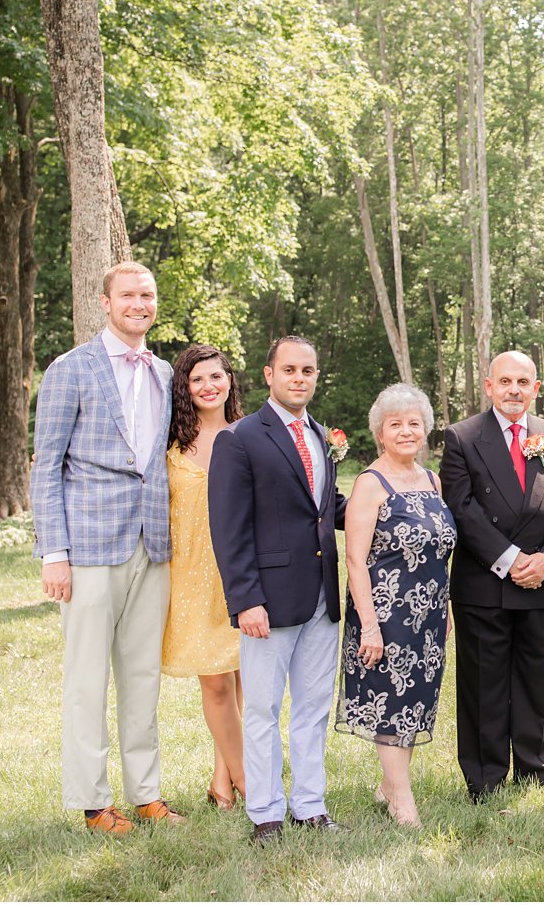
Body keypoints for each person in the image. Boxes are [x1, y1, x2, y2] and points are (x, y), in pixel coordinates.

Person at [31, 261, 183, 835]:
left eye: (147, 294)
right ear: (105, 302)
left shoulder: (165, 372)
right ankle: (94, 804)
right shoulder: (70, 370)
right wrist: (53, 553)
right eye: (127, 295)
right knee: (87, 678)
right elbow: (47, 466)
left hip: (153, 544)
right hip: (89, 545)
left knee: (142, 674)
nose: (138, 303)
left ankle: (146, 794)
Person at [209, 336, 347, 843]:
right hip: (267, 599)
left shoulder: (319, 434)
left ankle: (310, 804)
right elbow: (228, 528)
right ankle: (264, 813)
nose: (299, 378)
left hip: (321, 597)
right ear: (269, 374)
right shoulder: (241, 438)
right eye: (289, 369)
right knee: (264, 710)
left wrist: (392, 509)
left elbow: (327, 508)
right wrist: (246, 600)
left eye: (307, 370)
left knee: (313, 706)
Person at [439, 352, 544, 801]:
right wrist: (512, 558)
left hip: (542, 580)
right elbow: (462, 508)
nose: (513, 389)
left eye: (522, 381)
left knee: (535, 677)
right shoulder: (461, 437)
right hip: (484, 581)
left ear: (536, 388)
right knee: (485, 681)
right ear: (489, 385)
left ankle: (538, 771)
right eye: (505, 381)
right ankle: (485, 776)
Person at [337, 384, 455, 828]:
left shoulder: (431, 478)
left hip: (428, 614)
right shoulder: (370, 483)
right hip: (386, 615)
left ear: (424, 430)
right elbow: (354, 558)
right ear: (380, 433)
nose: (406, 431)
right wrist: (369, 625)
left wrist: (445, 609)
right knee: (391, 702)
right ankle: (402, 801)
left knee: (413, 702)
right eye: (396, 425)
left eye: (414, 423)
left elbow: (441, 551)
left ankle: (390, 785)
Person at [162, 343, 247, 811]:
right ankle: (250, 783)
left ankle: (221, 784)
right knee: (215, 682)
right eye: (197, 379)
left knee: (241, 680)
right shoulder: (171, 443)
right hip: (189, 575)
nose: (208, 386)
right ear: (185, 388)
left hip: (239, 573)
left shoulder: (249, 435)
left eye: (216, 376)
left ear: (229, 380)